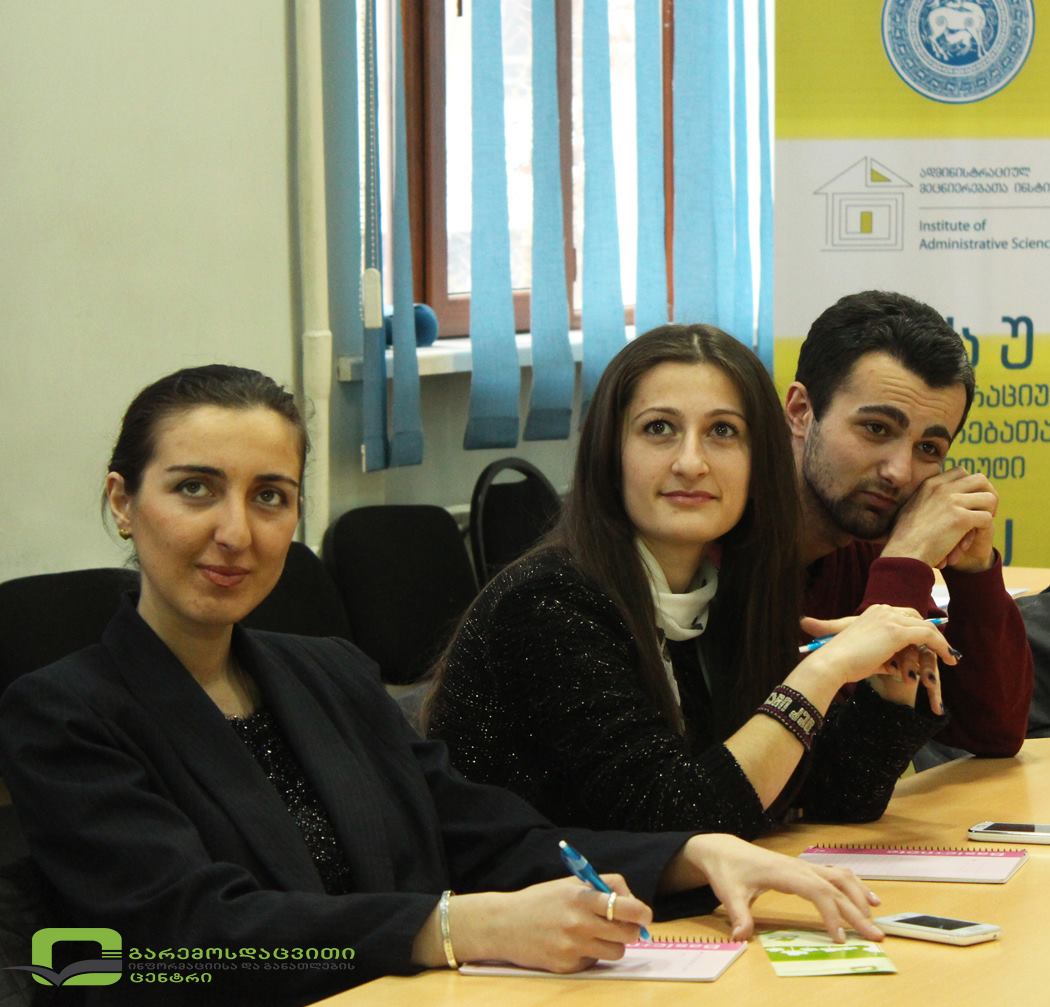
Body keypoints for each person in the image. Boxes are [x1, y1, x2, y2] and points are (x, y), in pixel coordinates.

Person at [0, 365, 887, 1005]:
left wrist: (696, 852)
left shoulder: (327, 672)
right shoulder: (64, 713)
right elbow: (185, 936)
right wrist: (458, 927)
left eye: (270, 496)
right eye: (195, 489)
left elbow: (483, 832)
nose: (236, 530)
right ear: (123, 501)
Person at [427, 325, 956, 839]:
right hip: (526, 900)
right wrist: (823, 672)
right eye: (659, 428)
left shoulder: (723, 591)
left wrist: (888, 689)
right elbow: (671, 822)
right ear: (610, 452)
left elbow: (823, 798)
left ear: (760, 462)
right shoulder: (548, 603)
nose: (690, 463)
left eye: (723, 432)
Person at [785, 291, 1034, 760]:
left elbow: (993, 731)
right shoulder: (715, 541)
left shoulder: (873, 545)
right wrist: (903, 564)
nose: (899, 472)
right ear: (801, 412)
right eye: (877, 428)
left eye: (929, 449)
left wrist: (974, 573)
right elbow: (826, 766)